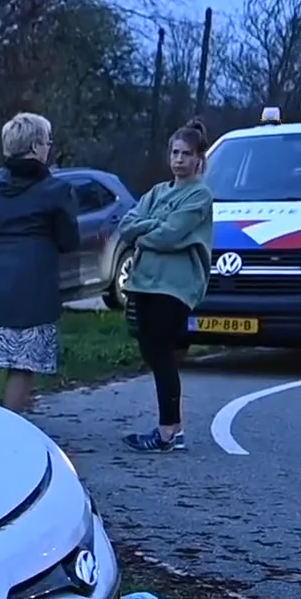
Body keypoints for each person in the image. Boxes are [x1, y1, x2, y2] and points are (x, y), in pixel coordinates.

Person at [0, 111, 80, 414]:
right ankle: (11, 427)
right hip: (33, 283)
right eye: (47, 142)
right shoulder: (56, 190)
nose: (49, 147)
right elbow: (69, 239)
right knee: (23, 362)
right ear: (34, 146)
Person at [118, 119, 215, 452]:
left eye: (186, 154)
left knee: (161, 350)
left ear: (198, 158)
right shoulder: (158, 192)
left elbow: (171, 235)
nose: (178, 160)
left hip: (175, 285)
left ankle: (169, 430)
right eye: (174, 152)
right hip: (144, 281)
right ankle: (170, 426)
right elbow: (126, 225)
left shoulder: (199, 195)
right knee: (150, 349)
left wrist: (148, 232)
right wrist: (151, 227)